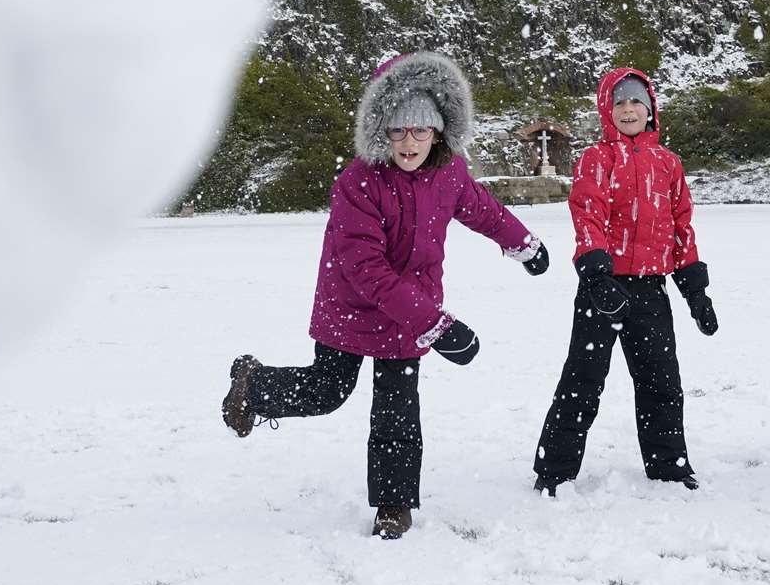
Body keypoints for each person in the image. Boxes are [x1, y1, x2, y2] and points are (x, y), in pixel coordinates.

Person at [221, 52, 550, 539]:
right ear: (382, 130)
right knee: (326, 391)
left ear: (438, 130)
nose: (409, 141)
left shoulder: (450, 172)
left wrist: (522, 243)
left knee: (398, 408)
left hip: (408, 312)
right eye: (398, 129)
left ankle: (393, 505)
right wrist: (436, 325)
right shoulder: (357, 182)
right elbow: (365, 269)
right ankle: (253, 384)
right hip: (352, 306)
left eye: (420, 129)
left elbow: (483, 210)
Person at [532, 68, 718, 497]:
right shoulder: (596, 160)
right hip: (603, 289)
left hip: (652, 289)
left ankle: (669, 465)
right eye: (619, 103)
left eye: (636, 102)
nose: (628, 109)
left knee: (662, 381)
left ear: (650, 109)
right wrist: (597, 274)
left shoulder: (668, 163)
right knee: (583, 378)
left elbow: (681, 227)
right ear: (606, 110)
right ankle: (555, 468)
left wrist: (695, 290)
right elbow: (587, 216)